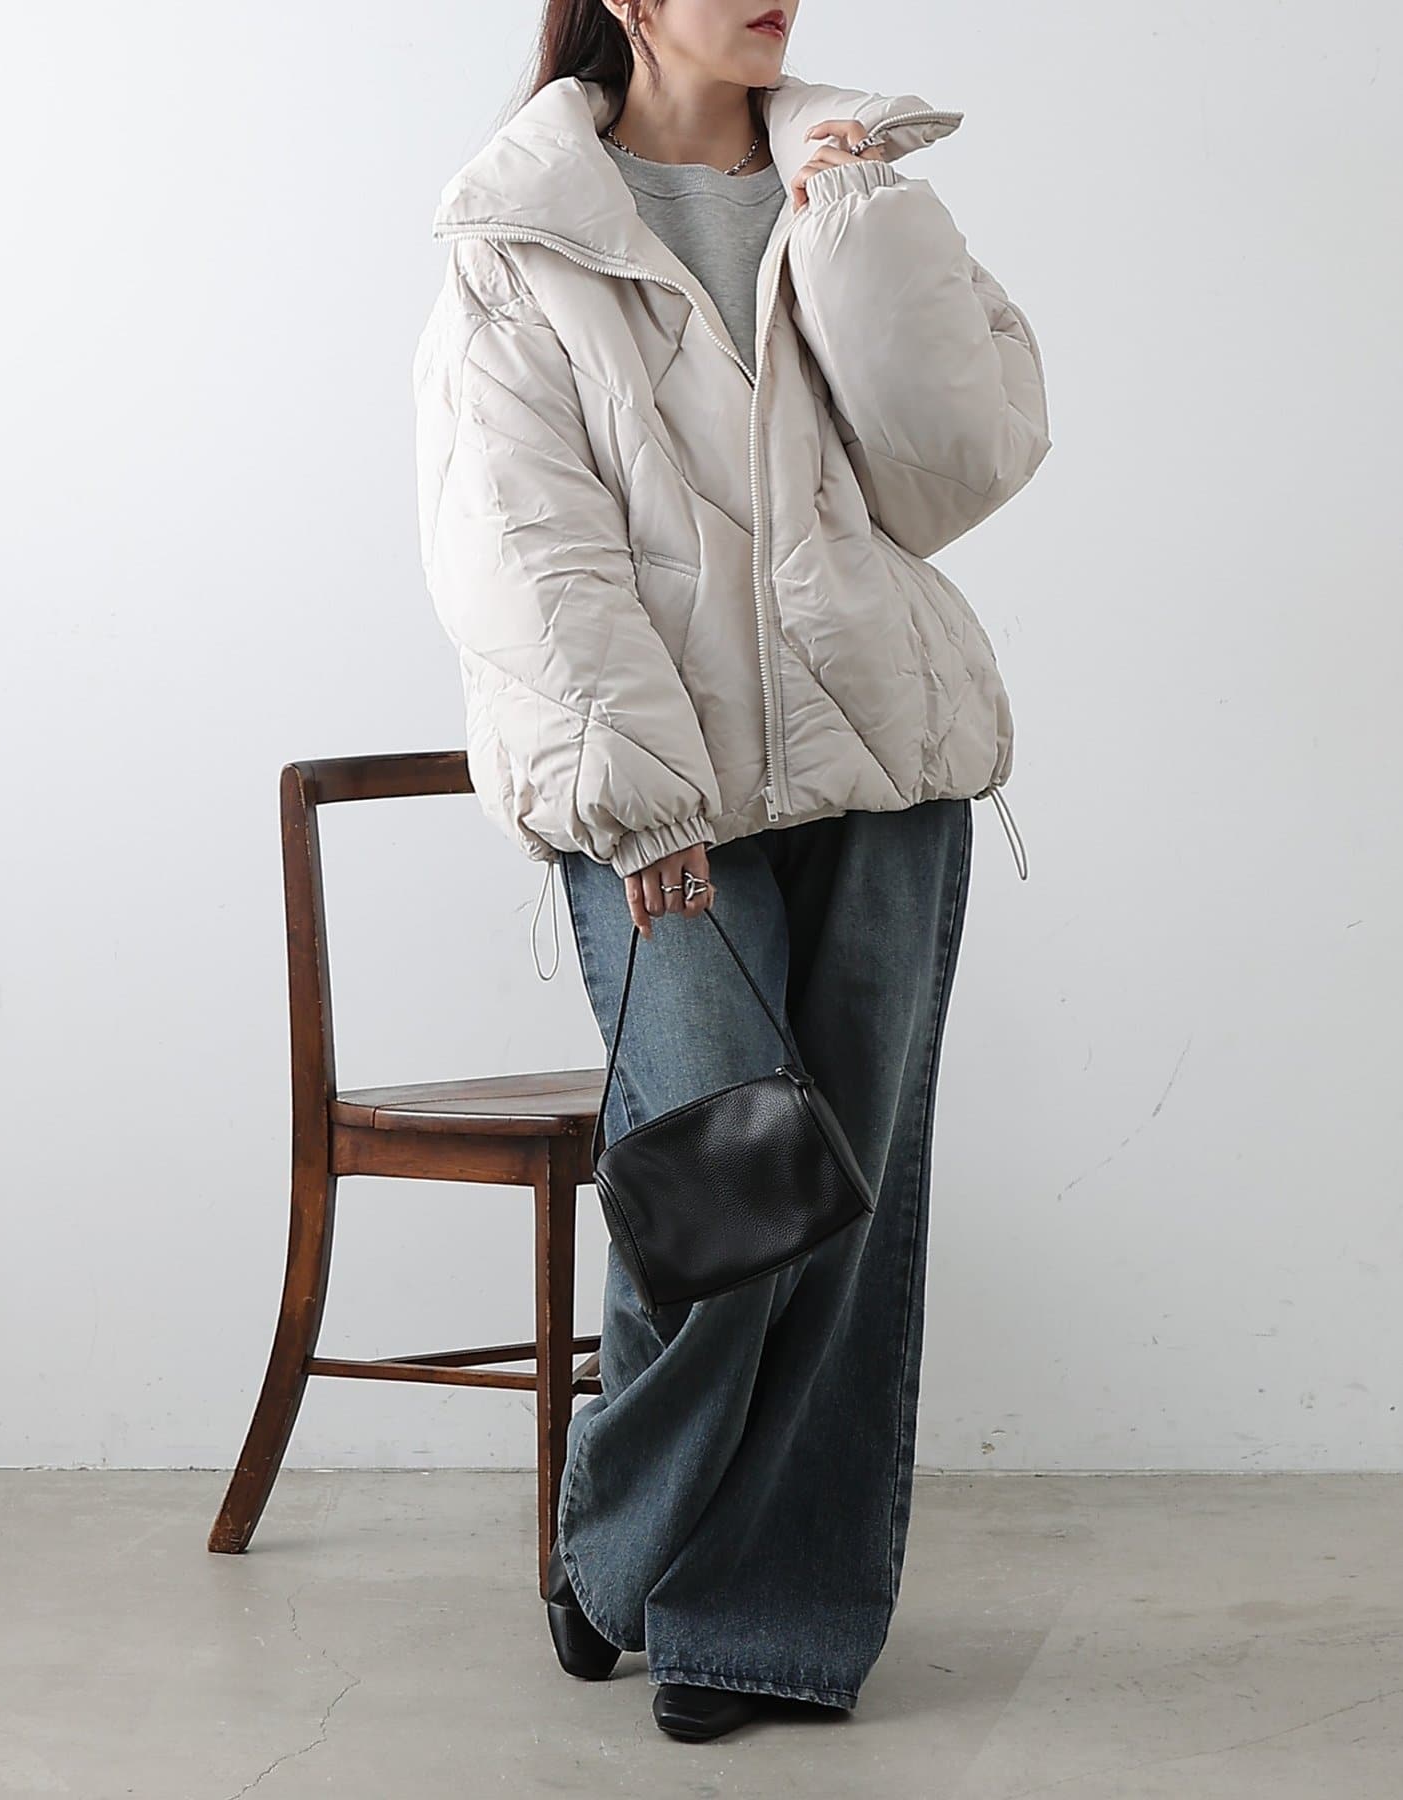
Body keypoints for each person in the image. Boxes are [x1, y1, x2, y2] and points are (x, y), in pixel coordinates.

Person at [412, 0, 1051, 1744]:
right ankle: (619, 1551)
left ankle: (758, 1627)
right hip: (659, 790)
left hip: (884, 759)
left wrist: (863, 227)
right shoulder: (520, 228)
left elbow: (960, 469)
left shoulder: (854, 178)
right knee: (723, 1198)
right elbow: (522, 543)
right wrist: (641, 804)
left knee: (845, 1209)